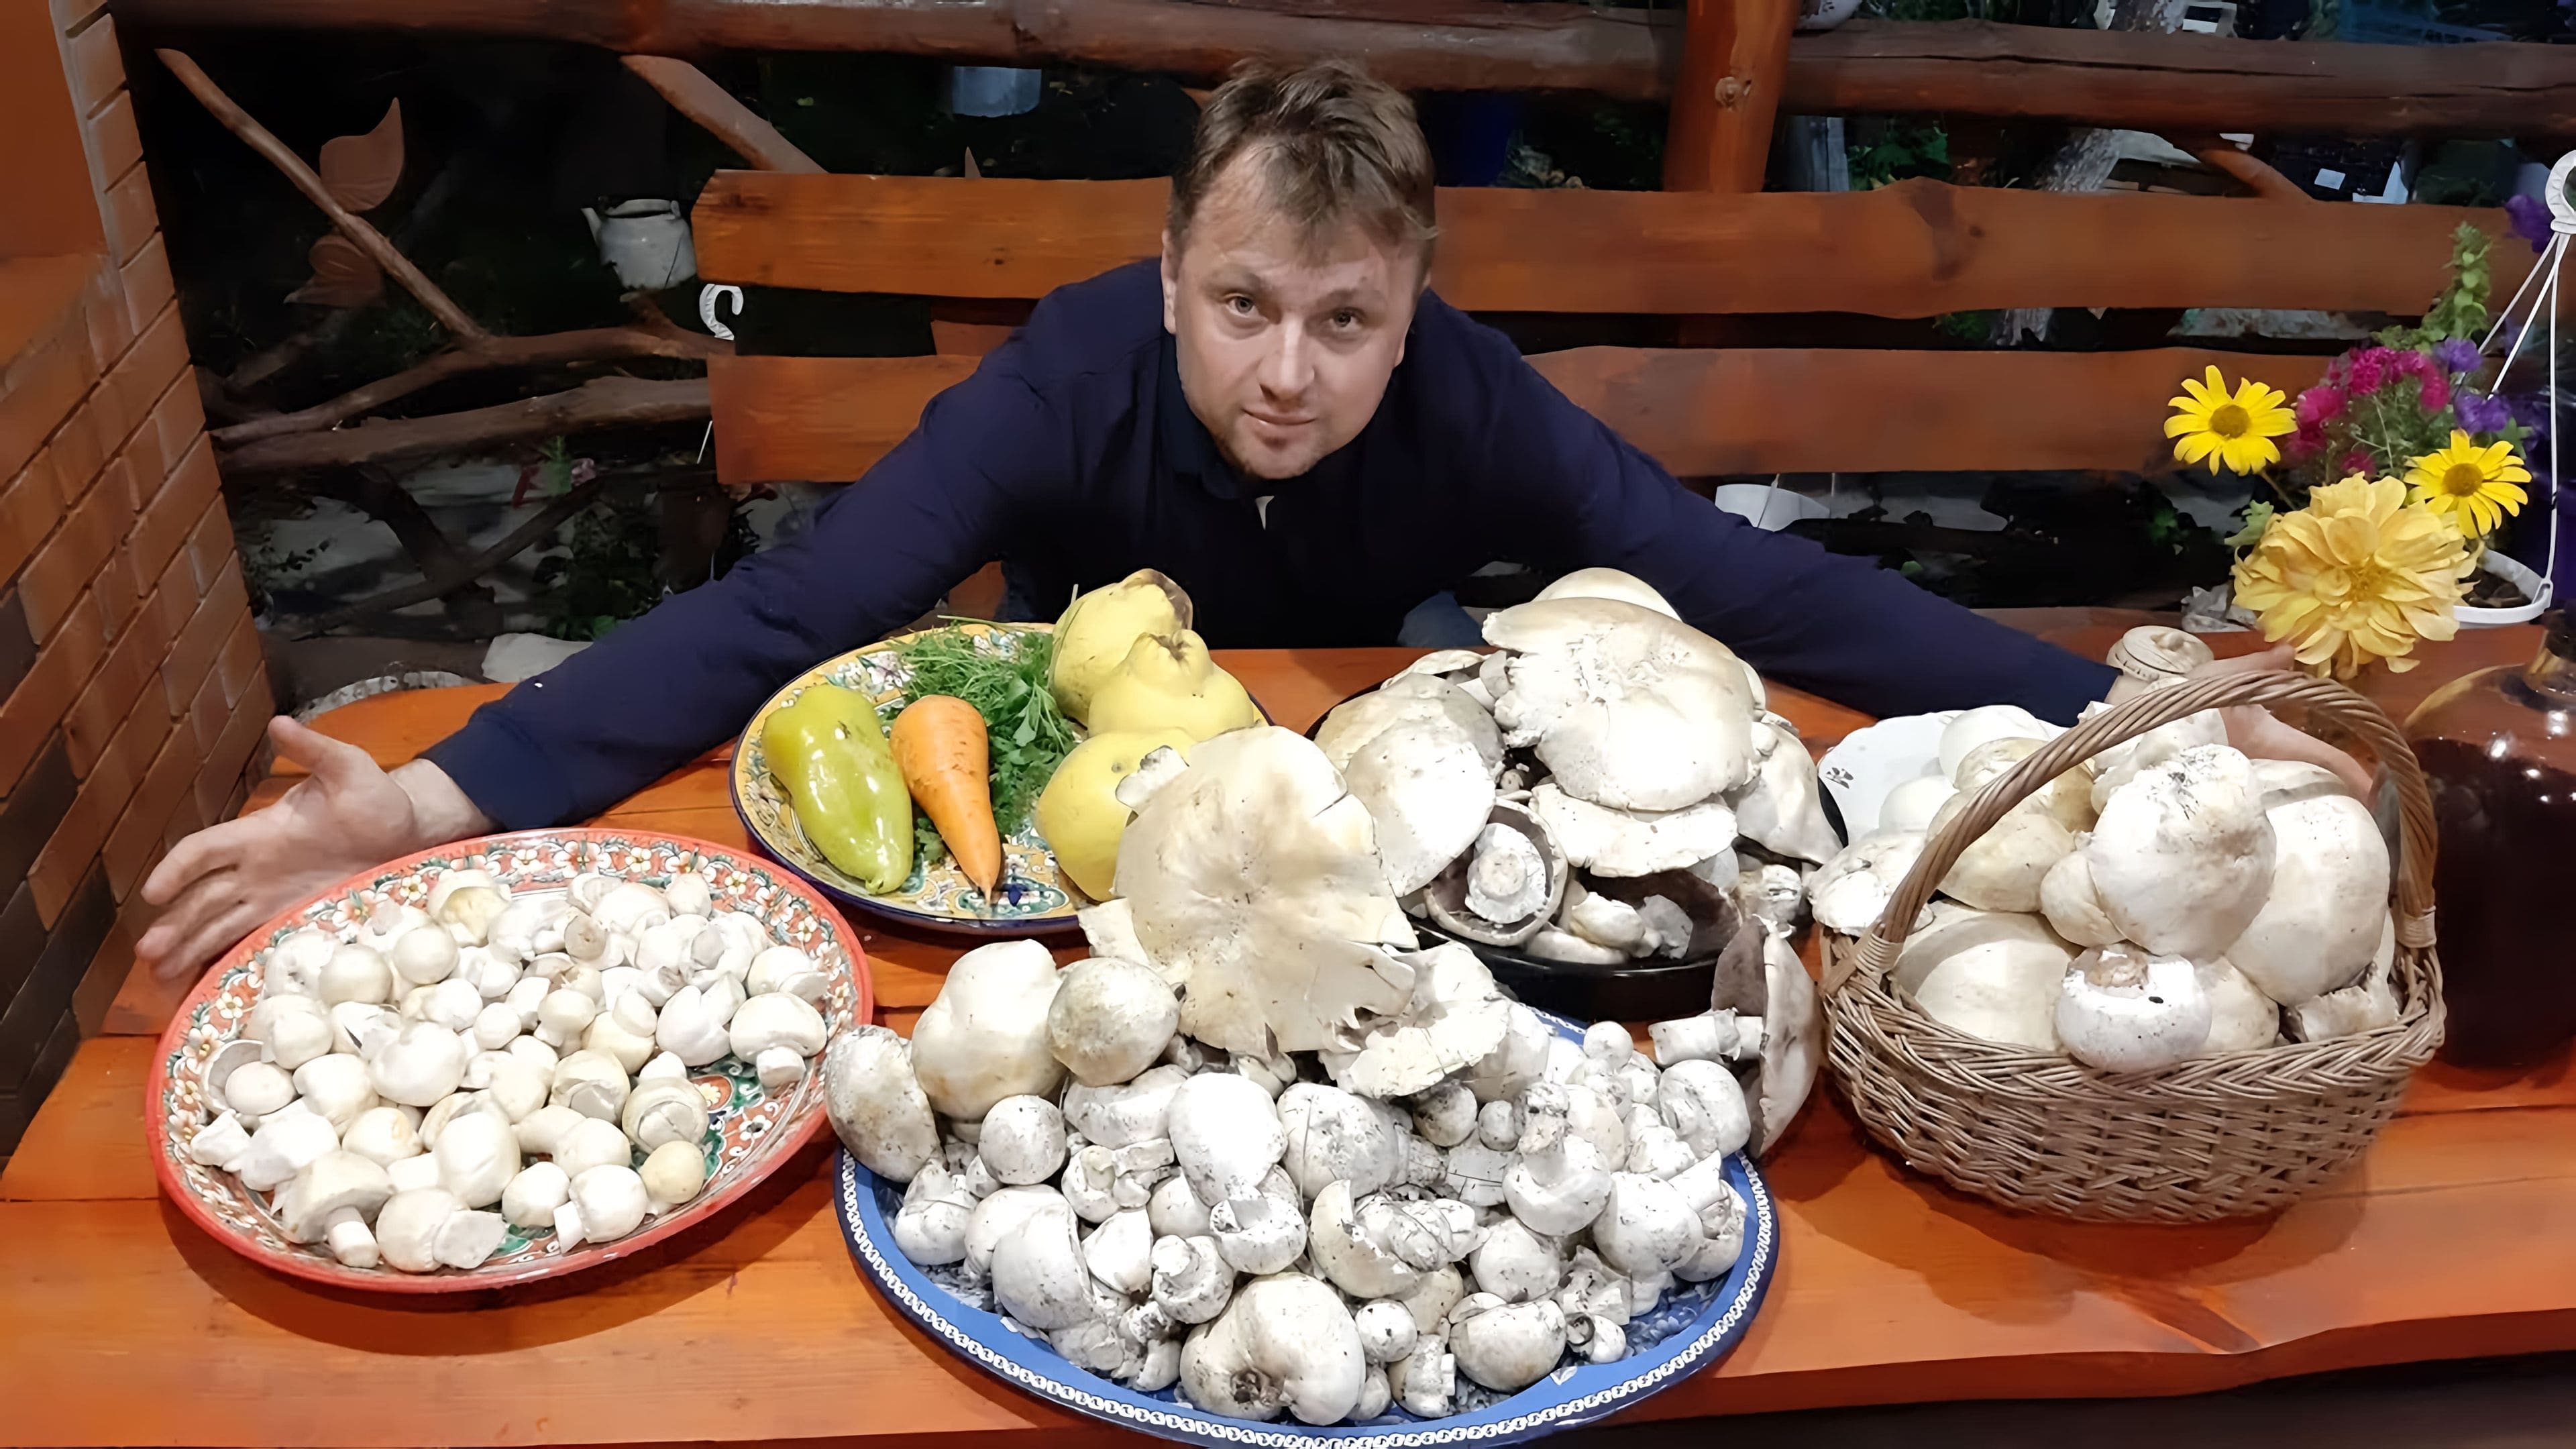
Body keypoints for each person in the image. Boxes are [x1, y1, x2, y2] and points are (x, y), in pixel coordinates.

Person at [138, 60, 2351, 980]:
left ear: (1411, 312)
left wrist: (2133, 719)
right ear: (1173, 275)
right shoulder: (1061, 382)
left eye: (1344, 320)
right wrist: (417, 802)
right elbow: (805, 603)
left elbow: (1754, 583)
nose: (1288, 370)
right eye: (1242, 307)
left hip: (1356, 822)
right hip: (1057, 857)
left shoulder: (1473, 406)